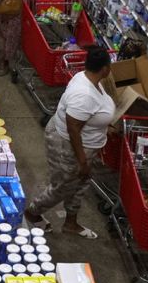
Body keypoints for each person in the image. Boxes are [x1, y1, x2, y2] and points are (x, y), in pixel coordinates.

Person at [24, 47, 115, 239]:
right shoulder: (85, 95)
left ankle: (71, 223)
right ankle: (32, 212)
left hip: (86, 146)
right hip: (69, 147)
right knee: (63, 186)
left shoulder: (89, 77)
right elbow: (73, 127)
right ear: (105, 69)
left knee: (80, 183)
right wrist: (82, 161)